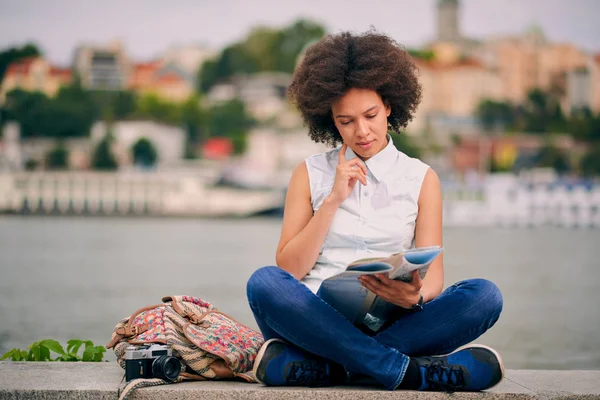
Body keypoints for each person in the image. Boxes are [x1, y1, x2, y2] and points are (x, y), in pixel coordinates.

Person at [246, 30, 504, 392]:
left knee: (485, 296)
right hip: (315, 320)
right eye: (345, 121)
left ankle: (334, 369)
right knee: (264, 283)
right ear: (329, 120)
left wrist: (413, 296)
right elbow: (288, 269)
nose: (361, 131)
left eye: (370, 115)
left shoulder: (421, 178)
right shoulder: (308, 174)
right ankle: (408, 373)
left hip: (393, 321)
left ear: (389, 106)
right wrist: (333, 199)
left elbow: (434, 279)